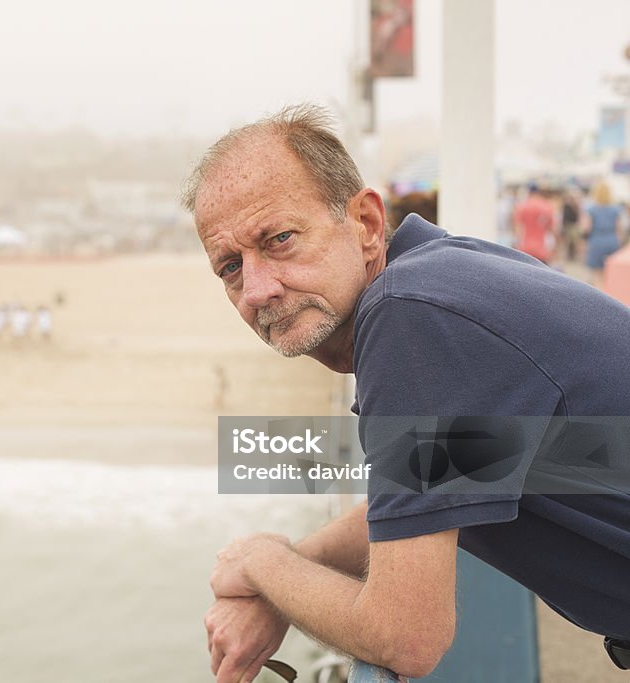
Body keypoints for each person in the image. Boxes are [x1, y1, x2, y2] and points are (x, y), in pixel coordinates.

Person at [182, 104, 630, 681]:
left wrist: (261, 562)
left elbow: (407, 636)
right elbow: (440, 482)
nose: (257, 290)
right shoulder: (440, 280)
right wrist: (285, 576)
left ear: (366, 224)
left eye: (280, 239)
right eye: (230, 268)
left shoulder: (408, 317)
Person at [583, 181, 626, 285]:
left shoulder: (591, 209)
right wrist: (619, 243)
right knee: (610, 273)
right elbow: (620, 229)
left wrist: (584, 244)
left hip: (597, 241)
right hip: (612, 240)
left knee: (596, 274)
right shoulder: (616, 209)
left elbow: (586, 229)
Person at [513, 182, 557, 265]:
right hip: (542, 249)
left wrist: (515, 244)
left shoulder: (522, 206)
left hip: (525, 248)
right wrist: (554, 248)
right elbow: (552, 229)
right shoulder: (547, 206)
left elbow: (518, 228)